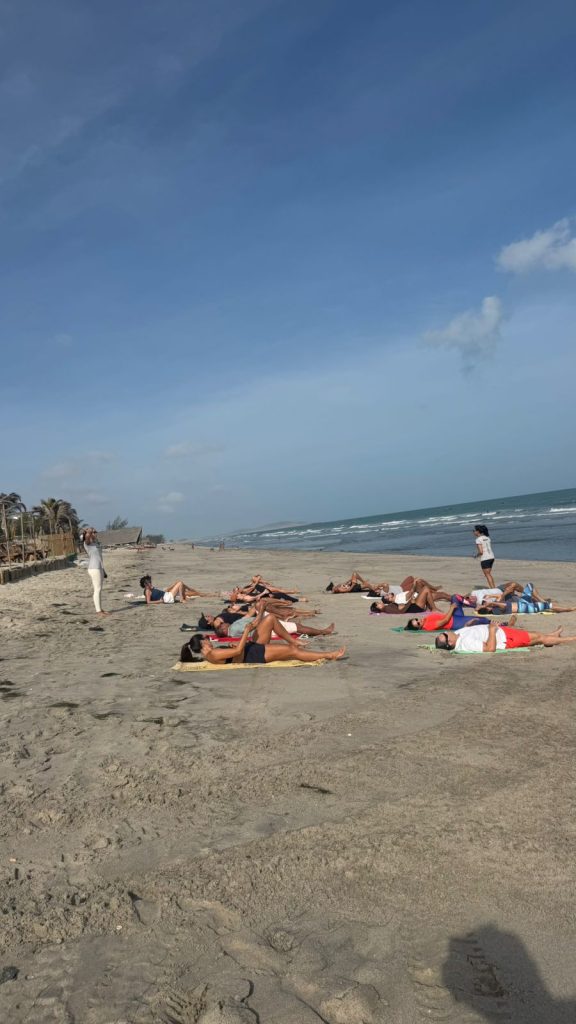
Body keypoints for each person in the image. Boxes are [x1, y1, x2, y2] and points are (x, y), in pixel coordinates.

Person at [180, 615, 346, 665]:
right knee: (293, 652)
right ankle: (329, 655)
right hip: (252, 655)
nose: (210, 640)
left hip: (250, 647)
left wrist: (233, 644)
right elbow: (238, 653)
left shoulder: (213, 653)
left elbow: (233, 652)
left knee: (270, 619)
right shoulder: (212, 654)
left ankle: (292, 640)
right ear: (202, 644)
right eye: (207, 638)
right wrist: (246, 631)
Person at [435, 622, 576, 653]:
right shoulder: (466, 643)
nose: (447, 631)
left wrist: (468, 626)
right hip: (505, 638)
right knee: (538, 637)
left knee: (535, 635)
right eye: (445, 634)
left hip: (502, 631)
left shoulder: (459, 634)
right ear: (451, 642)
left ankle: (552, 636)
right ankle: (570, 639)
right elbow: (490, 649)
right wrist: (491, 630)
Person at [216, 610, 336, 641]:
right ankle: (323, 631)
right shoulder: (235, 628)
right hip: (267, 627)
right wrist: (262, 611)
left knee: (296, 626)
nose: (224, 622)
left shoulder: (234, 625)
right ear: (223, 629)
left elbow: (248, 618)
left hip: (264, 622)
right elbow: (253, 625)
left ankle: (287, 621)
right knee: (297, 628)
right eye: (222, 624)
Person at [477, 583, 576, 616]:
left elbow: (501, 601)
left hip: (522, 603)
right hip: (526, 608)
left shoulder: (494, 607)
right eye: (484, 605)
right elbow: (504, 606)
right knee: (549, 606)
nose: (484, 604)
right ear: (487, 609)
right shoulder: (495, 610)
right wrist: (494, 604)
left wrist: (492, 600)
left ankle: (542, 601)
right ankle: (569, 609)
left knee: (529, 585)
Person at [404, 597, 493, 632]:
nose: (419, 621)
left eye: (416, 619)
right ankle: (499, 624)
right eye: (418, 623)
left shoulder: (425, 619)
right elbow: (445, 621)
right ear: (419, 627)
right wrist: (451, 608)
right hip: (454, 623)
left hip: (454, 616)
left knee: (455, 597)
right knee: (480, 620)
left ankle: (476, 606)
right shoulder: (427, 626)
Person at [370, 583, 450, 615]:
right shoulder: (388, 608)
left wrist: (410, 602)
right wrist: (410, 602)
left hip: (414, 604)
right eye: (378, 603)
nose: (380, 603)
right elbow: (401, 611)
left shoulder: (388, 607)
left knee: (441, 594)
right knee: (425, 589)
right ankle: (434, 609)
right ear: (379, 607)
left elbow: (400, 607)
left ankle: (461, 599)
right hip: (416, 607)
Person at [83, 527, 107, 617]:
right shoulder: (87, 544)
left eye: (96, 532)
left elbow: (100, 558)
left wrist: (103, 570)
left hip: (99, 568)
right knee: (97, 589)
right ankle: (98, 611)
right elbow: (87, 538)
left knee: (100, 589)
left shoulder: (96, 543)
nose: (95, 533)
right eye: (94, 532)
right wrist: (88, 531)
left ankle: (100, 609)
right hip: (93, 568)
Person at [140, 575, 206, 605]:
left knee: (178, 583)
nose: (150, 583)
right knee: (180, 583)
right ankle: (181, 599)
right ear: (145, 584)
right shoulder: (147, 591)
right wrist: (160, 601)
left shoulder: (149, 589)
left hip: (166, 595)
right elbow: (148, 602)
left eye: (150, 581)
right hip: (166, 598)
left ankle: (188, 593)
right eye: (149, 582)